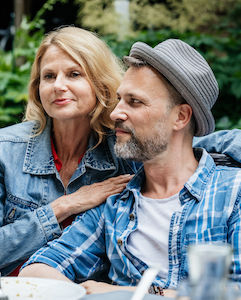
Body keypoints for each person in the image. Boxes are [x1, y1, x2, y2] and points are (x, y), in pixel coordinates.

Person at [19, 39, 241, 296]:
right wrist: (85, 293)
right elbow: (35, 271)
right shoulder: (115, 201)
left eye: (135, 102)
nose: (115, 113)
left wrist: (122, 294)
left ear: (180, 117)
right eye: (119, 99)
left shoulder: (232, 194)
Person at [0, 26, 136, 276]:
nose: (58, 86)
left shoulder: (123, 152)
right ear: (37, 88)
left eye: (74, 74)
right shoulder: (5, 150)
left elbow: (182, 142)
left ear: (100, 83)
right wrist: (64, 206)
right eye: (49, 76)